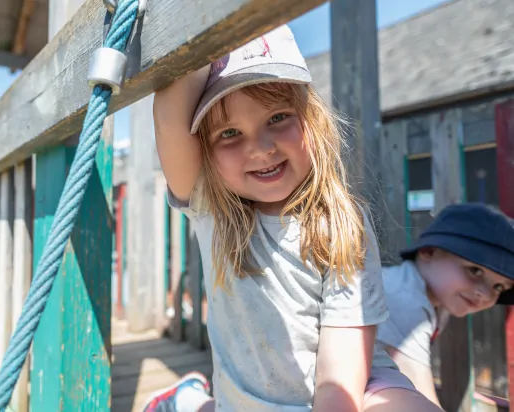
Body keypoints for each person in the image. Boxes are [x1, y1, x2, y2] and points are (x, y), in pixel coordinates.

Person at [146, 24, 441, 412]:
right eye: (230, 132)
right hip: (250, 401)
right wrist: (215, 29)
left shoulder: (340, 222)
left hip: (351, 386)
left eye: (278, 117)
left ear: (312, 122)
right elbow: (170, 115)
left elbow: (341, 378)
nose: (261, 148)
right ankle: (185, 400)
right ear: (207, 151)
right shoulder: (211, 207)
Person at [376, 203, 514, 408]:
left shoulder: (435, 301)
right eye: (474, 271)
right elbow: (420, 397)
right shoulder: (404, 298)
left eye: (499, 286)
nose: (484, 293)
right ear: (429, 252)